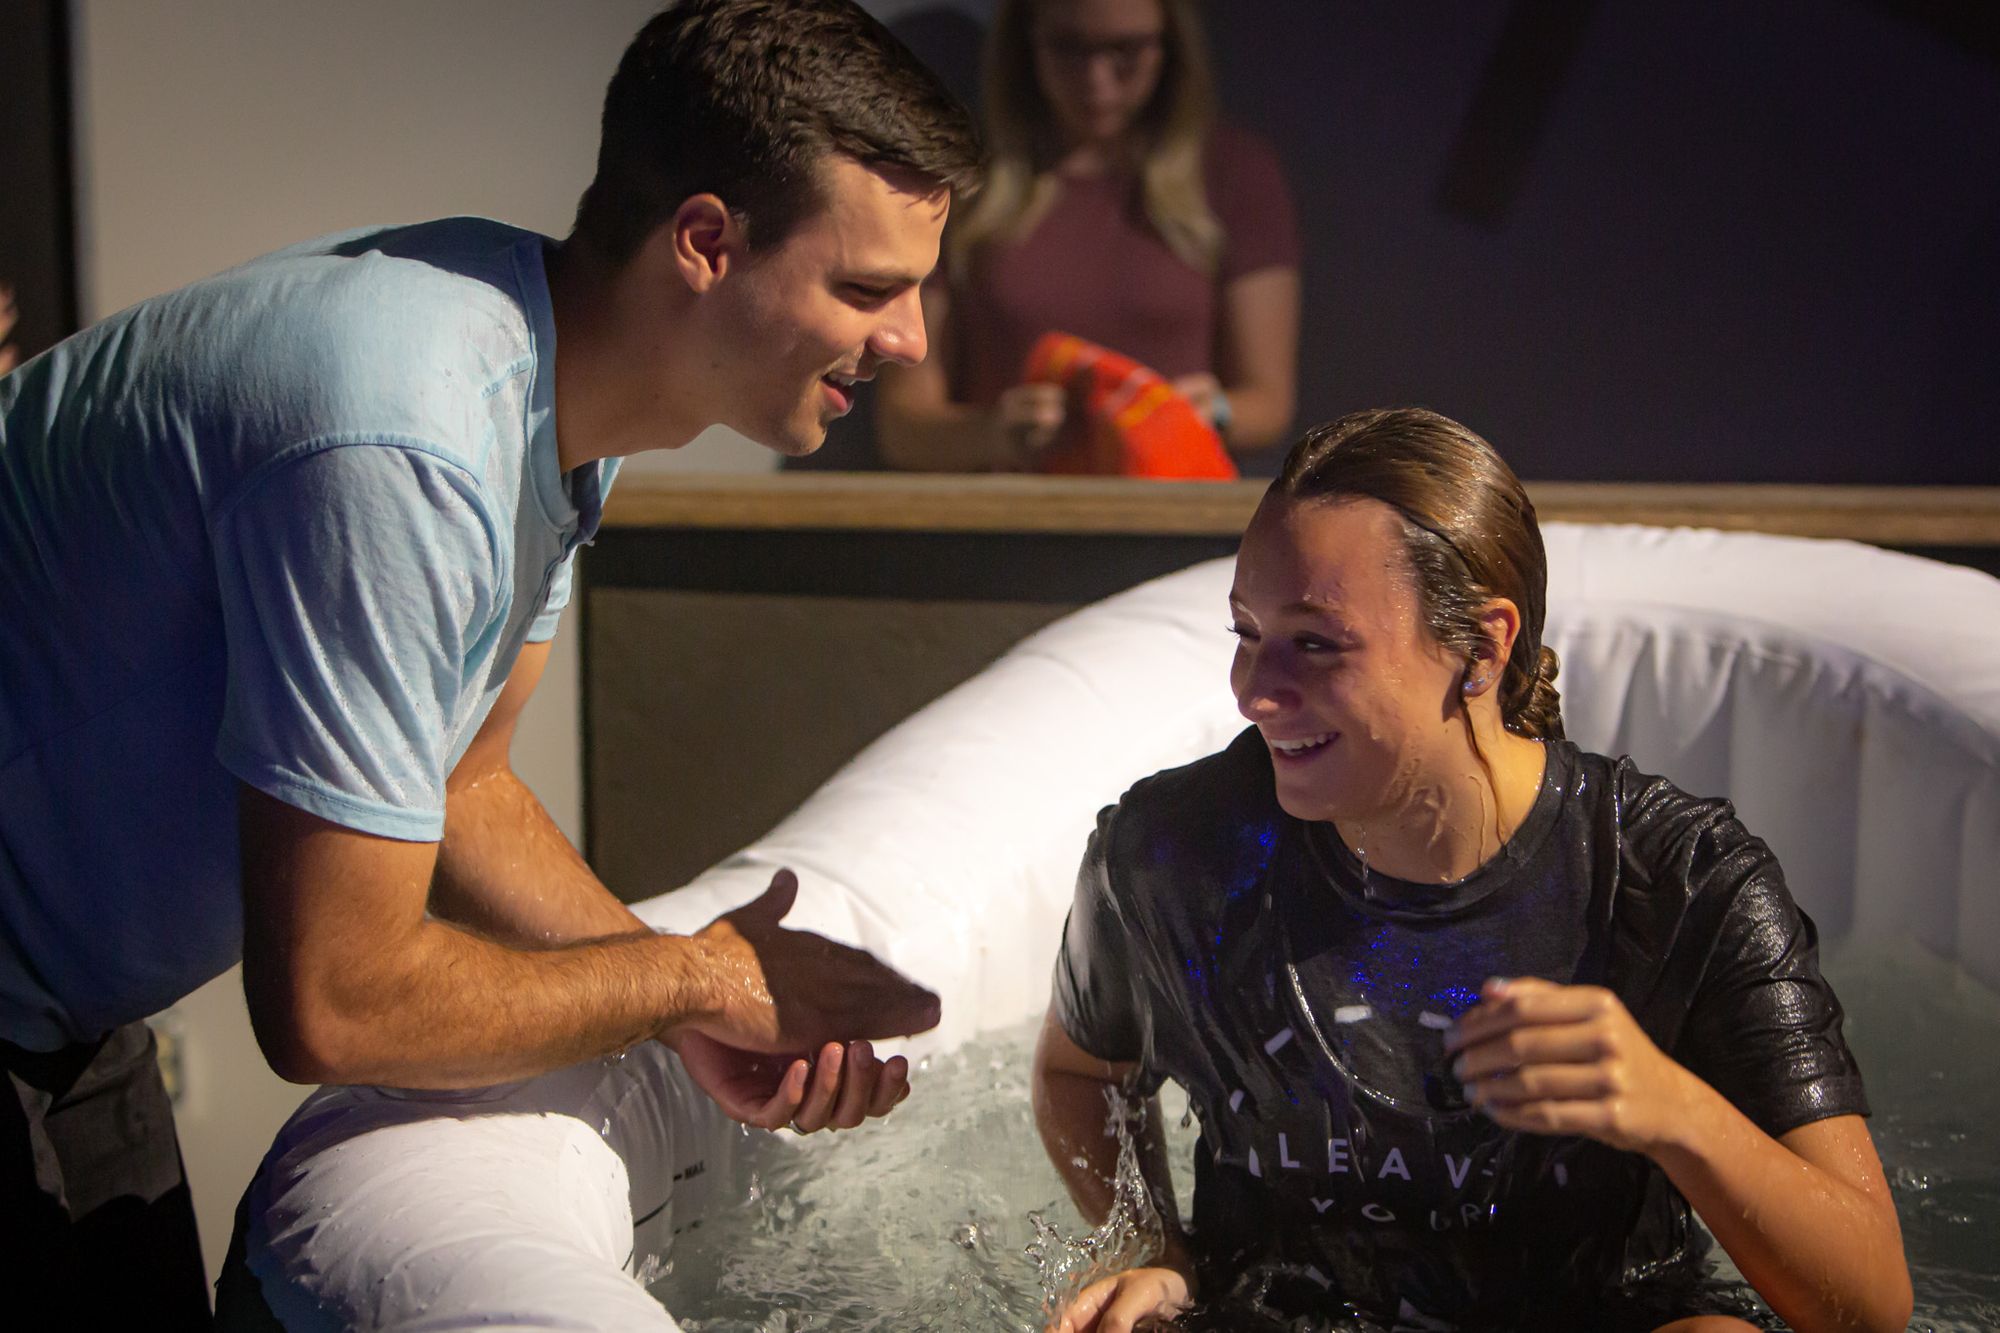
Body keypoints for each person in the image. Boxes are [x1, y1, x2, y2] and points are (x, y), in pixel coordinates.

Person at [0, 0, 979, 1321]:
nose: (909, 338)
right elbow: (336, 1002)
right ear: (704, 243)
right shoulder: (405, 437)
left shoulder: (543, 382)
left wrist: (690, 1007)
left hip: (64, 1011)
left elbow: (463, 780)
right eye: (865, 289)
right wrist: (697, 977)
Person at [1032, 408, 1913, 1332]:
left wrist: (1676, 1110)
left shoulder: (1679, 883)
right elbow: (1079, 1073)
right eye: (1247, 632)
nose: (1254, 690)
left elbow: (1872, 1306)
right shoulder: (1175, 855)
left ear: (1483, 648)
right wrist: (1154, 1248)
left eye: (1316, 643)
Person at [875, 0, 1299, 472]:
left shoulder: (1234, 174)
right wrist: (995, 432)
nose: (1097, 80)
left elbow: (1268, 401)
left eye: (1127, 50)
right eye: (1068, 48)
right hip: (1013, 506)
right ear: (1026, 43)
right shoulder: (962, 183)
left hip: (1175, 502)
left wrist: (1210, 411)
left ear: (1170, 46)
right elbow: (904, 425)